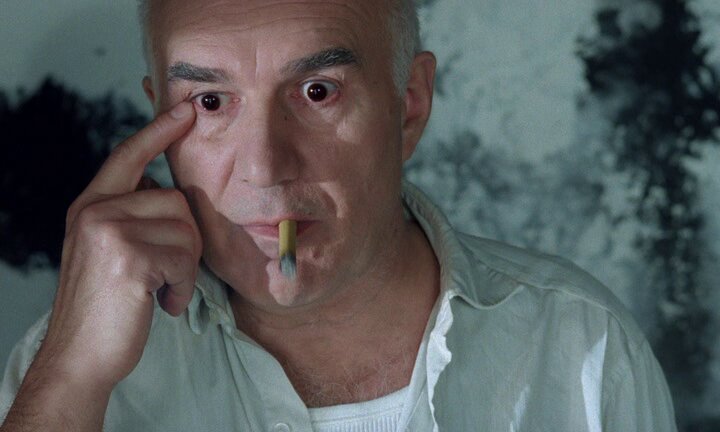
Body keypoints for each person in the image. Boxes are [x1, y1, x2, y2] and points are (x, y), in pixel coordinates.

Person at [0, 0, 677, 430]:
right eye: (209, 102)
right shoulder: (69, 368)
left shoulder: (579, 346)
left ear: (409, 103)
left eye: (318, 91)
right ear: (157, 116)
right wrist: (67, 381)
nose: (265, 167)